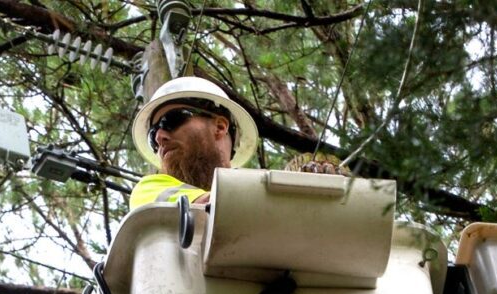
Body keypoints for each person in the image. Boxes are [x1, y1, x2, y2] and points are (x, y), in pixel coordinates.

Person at [129, 76, 345, 210]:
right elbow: (215, 209)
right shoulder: (148, 190)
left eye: (172, 120)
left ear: (220, 127)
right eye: (153, 134)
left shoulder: (255, 193)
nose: (159, 137)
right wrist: (299, 192)